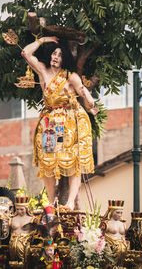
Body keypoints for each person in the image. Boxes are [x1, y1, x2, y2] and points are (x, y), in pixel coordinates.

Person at [21, 22, 98, 210]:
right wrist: (44, 40)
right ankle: (51, 199)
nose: (56, 57)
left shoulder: (69, 76)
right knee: (47, 162)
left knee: (73, 162)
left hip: (69, 122)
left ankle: (70, 202)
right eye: (54, 54)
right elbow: (25, 53)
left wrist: (89, 101)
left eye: (60, 55)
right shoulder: (42, 71)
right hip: (49, 124)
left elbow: (82, 90)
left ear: (64, 59)